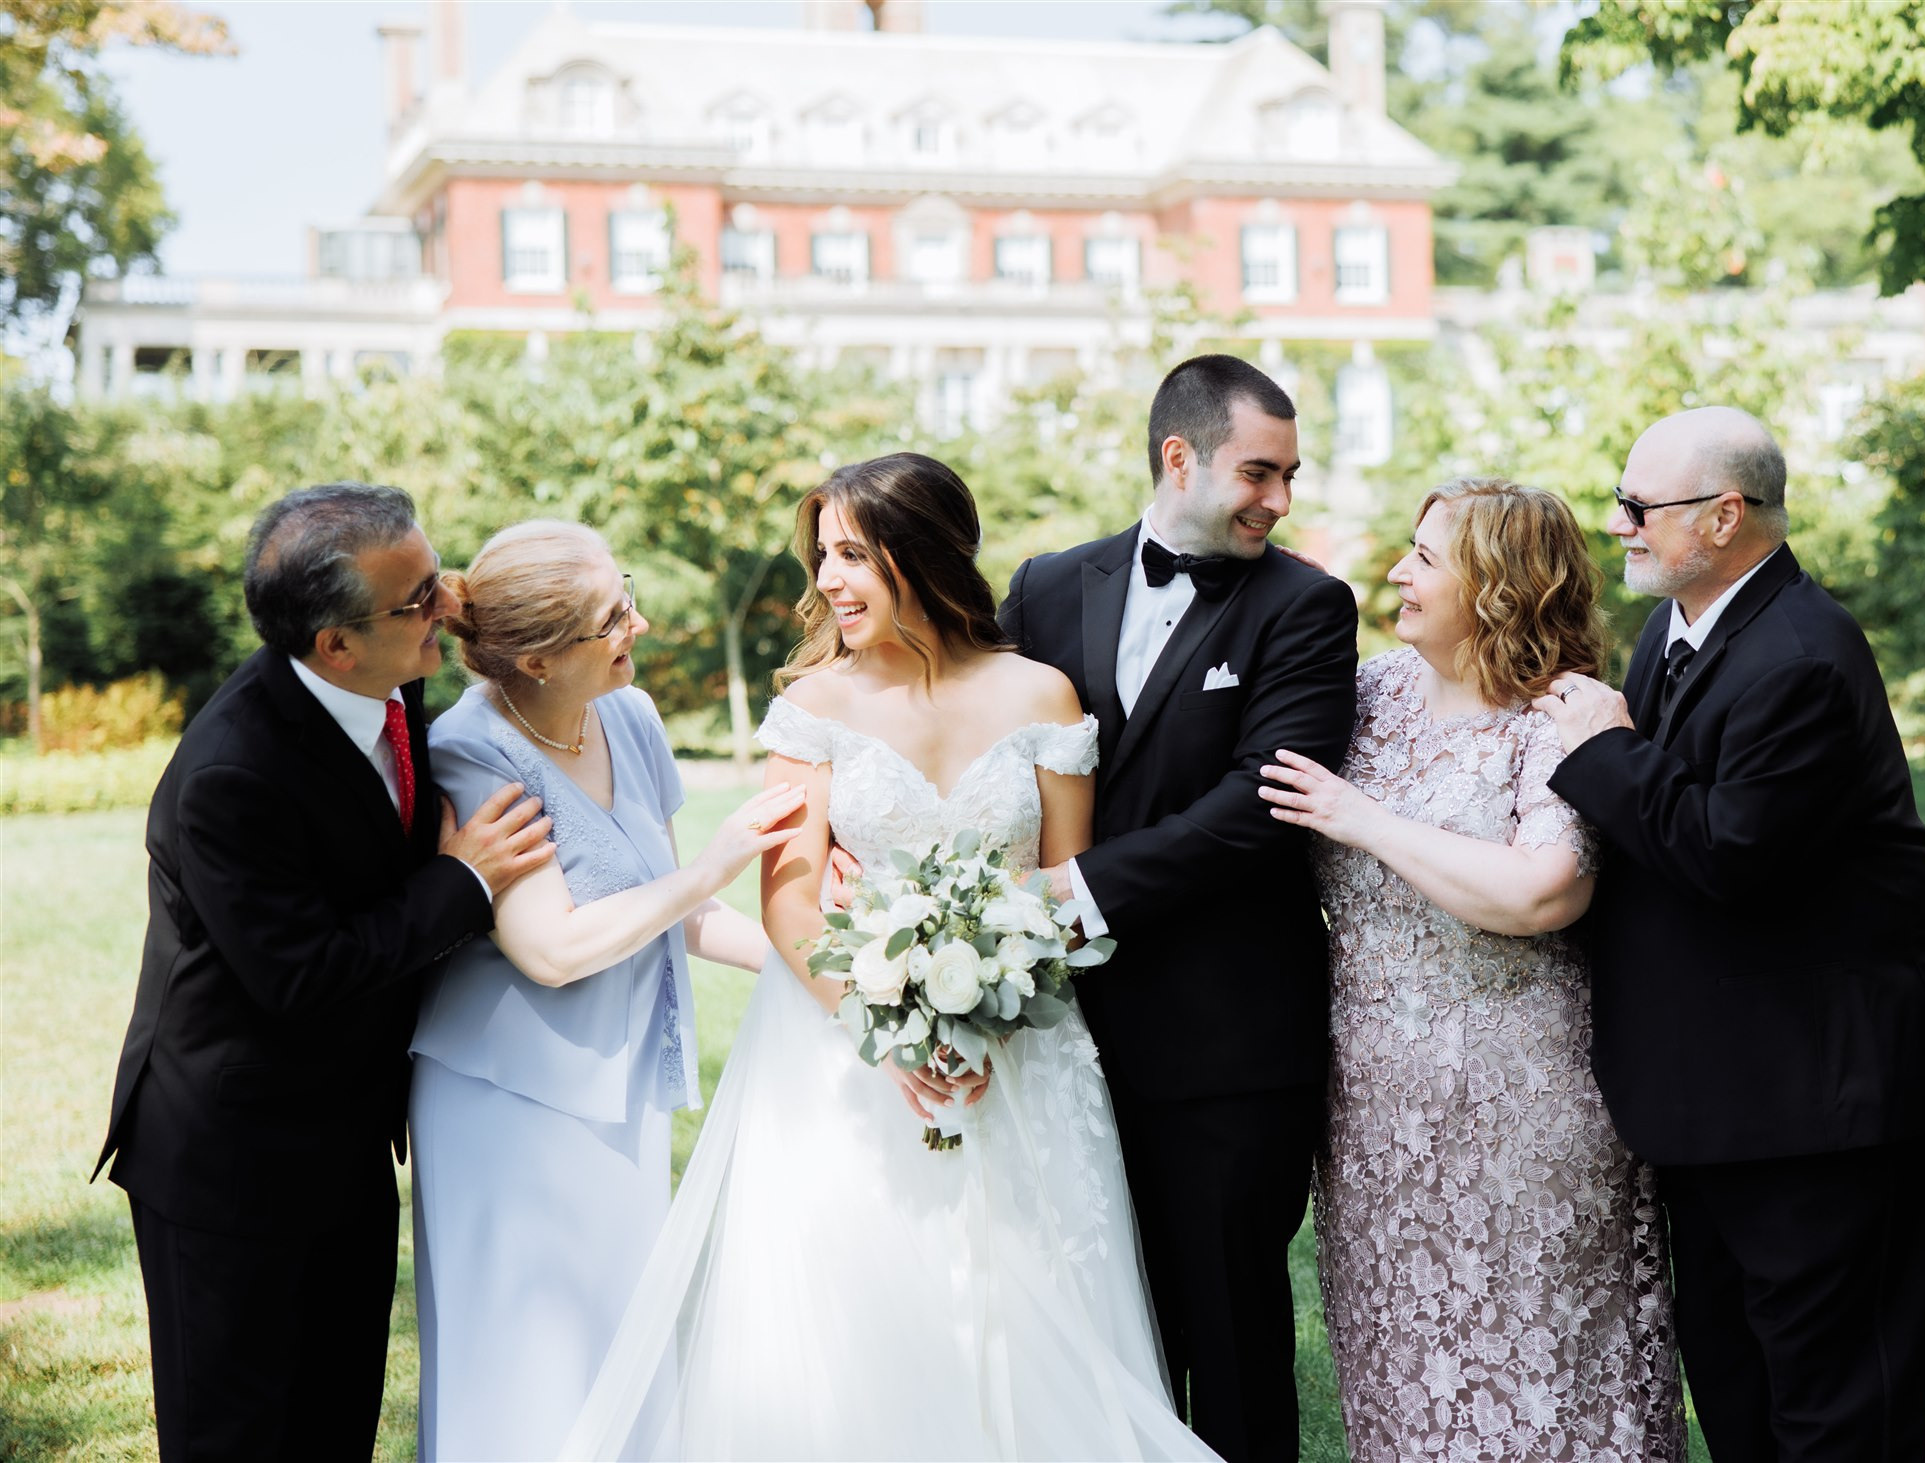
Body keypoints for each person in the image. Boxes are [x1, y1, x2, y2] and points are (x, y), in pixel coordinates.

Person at [561, 453, 1214, 1461]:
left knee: (1038, 1314)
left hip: (1023, 1055)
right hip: (844, 1055)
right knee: (862, 1324)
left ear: (924, 555)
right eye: (822, 556)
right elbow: (788, 901)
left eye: (852, 555)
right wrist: (896, 1039)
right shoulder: (815, 706)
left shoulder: (1042, 695)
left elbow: (1066, 888)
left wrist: (995, 1011)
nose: (827, 579)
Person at [1537, 406, 1925, 1462]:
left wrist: (1601, 748)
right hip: (1723, 1092)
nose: (1620, 524)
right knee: (1736, 1382)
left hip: (1827, 1101)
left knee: (1833, 1405)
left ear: (1724, 515)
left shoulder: (1802, 657)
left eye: (1639, 506)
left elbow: (1727, 853)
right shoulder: (1675, 629)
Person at [93, 483, 554, 1462]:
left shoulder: (390, 670)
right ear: (335, 644)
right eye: (420, 597)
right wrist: (464, 880)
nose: (448, 604)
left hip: (344, 1139)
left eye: (437, 576)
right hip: (233, 1159)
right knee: (239, 1437)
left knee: (335, 1424)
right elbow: (304, 975)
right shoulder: (231, 774)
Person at [1257, 477, 1684, 1463]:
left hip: (1523, 1103)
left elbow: (1545, 890)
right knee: (1401, 1366)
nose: (1397, 573)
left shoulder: (1559, 715)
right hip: (1372, 1109)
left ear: (1497, 584)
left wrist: (1362, 819)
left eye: (1426, 558)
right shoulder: (1364, 693)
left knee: (1544, 1373)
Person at [998, 355, 1360, 1462]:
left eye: (1289, 475)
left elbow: (1261, 803)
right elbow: (988, 749)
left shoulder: (1307, 606)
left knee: (1232, 1331)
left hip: (1227, 1040)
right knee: (1103, 1328)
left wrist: (1073, 892)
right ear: (1178, 456)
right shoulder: (1046, 586)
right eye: (1258, 472)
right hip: (1060, 1038)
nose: (1278, 499)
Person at [407, 520, 805, 1461]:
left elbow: (675, 912)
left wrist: (826, 970)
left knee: (623, 1337)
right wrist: (709, 868)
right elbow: (548, 948)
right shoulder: (470, 750)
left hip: (626, 1086)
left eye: (626, 597)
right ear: (539, 658)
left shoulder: (629, 713)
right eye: (613, 617)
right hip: (508, 1101)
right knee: (528, 1362)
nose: (641, 624)